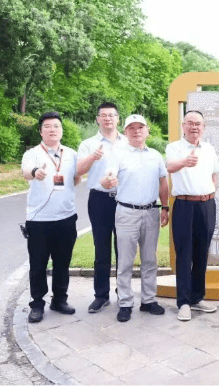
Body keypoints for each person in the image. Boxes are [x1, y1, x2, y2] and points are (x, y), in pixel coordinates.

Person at [101, 114, 169, 322]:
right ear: (125, 132)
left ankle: (148, 300)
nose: (137, 131)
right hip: (126, 213)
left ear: (147, 131)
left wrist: (165, 207)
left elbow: (163, 183)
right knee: (125, 261)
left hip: (151, 212)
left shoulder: (155, 155)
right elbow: (108, 177)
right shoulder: (118, 154)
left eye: (141, 127)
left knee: (149, 259)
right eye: (132, 128)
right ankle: (125, 302)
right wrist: (107, 182)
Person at [21, 112, 80, 323]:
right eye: (47, 126)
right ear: (40, 131)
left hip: (66, 217)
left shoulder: (71, 154)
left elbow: (76, 178)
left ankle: (59, 300)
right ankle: (37, 304)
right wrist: (36, 172)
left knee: (62, 263)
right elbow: (26, 171)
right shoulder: (32, 153)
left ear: (61, 130)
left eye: (56, 126)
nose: (52, 129)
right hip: (39, 220)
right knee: (38, 265)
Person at [166, 110, 219, 321]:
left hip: (206, 205)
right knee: (184, 253)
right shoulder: (174, 148)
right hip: (184, 205)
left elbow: (214, 173)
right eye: (190, 123)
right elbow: (169, 167)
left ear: (203, 127)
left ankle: (197, 297)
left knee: (201, 252)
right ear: (183, 126)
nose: (194, 127)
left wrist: (210, 193)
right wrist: (184, 162)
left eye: (198, 123)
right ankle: (184, 302)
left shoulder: (209, 148)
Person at [76, 102, 128, 313]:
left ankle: (123, 294)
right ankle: (101, 296)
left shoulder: (128, 142)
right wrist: (92, 157)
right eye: (103, 115)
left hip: (124, 199)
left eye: (111, 115)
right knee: (101, 248)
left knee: (124, 248)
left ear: (118, 119)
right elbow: (78, 171)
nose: (108, 118)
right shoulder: (88, 144)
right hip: (99, 200)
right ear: (97, 119)